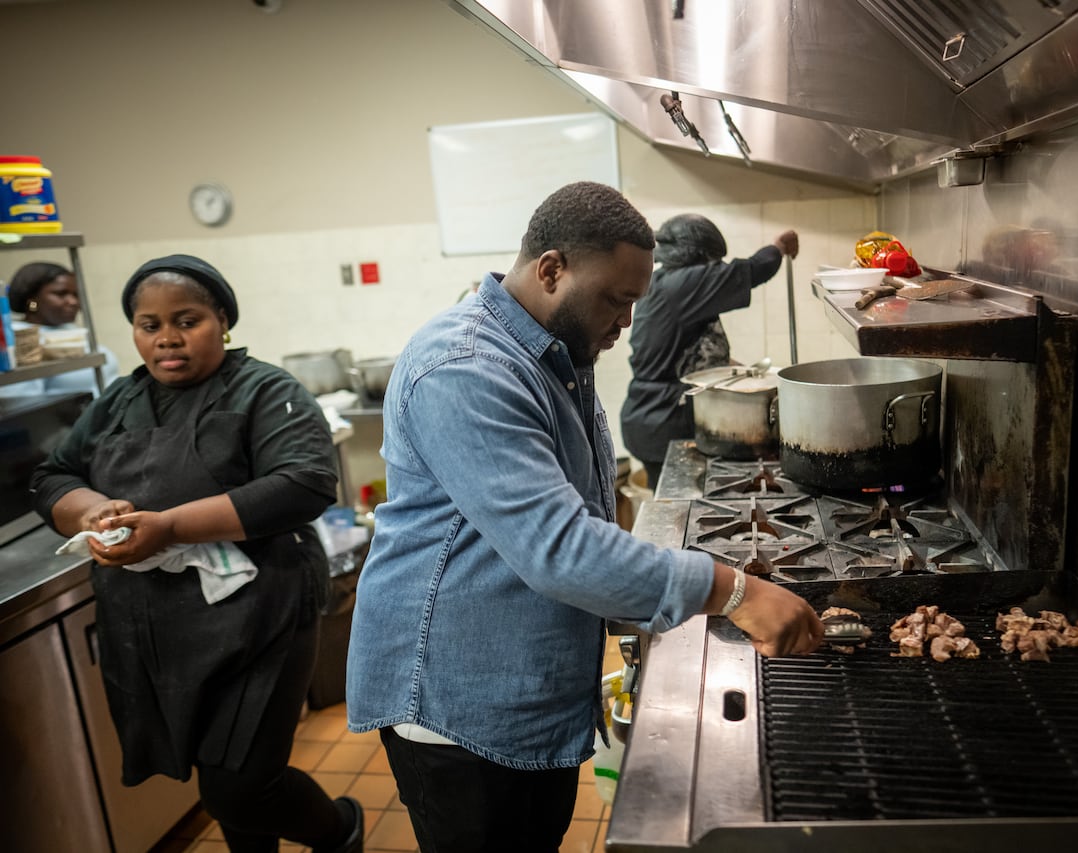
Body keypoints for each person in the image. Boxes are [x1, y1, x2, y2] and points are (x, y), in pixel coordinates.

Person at [345, 182, 823, 853]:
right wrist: (733, 590)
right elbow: (560, 549)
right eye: (615, 299)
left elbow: (579, 513)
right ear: (551, 270)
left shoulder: (553, 354)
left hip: (526, 683)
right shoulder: (466, 367)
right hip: (459, 702)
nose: (627, 321)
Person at [29, 255, 363, 853]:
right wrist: (92, 510)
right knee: (219, 768)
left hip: (262, 611)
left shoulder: (264, 390)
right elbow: (52, 475)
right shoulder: (118, 402)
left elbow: (304, 483)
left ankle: (341, 830)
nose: (167, 339)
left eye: (187, 321)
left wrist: (171, 528)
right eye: (149, 325)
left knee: (240, 785)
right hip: (161, 619)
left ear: (223, 322)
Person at [619, 214, 799, 487]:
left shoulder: (666, 283)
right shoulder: (680, 284)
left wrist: (741, 371)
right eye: (712, 263)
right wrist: (779, 247)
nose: (714, 271)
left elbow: (688, 349)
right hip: (664, 419)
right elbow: (751, 270)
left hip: (655, 414)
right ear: (696, 256)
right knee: (680, 500)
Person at [0, 261, 120, 398]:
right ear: (32, 301)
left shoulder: (67, 329)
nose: (73, 302)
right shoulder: (20, 339)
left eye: (76, 295)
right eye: (61, 294)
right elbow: (22, 400)